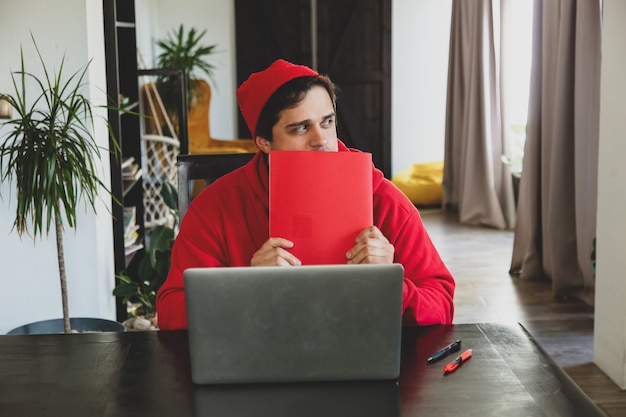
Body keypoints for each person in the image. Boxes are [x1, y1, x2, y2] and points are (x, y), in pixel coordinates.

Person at [156, 59, 455, 330]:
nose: (322, 140)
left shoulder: (385, 200)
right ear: (264, 142)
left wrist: (391, 284)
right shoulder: (215, 207)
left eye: (327, 121)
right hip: (257, 362)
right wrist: (247, 288)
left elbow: (441, 305)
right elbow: (171, 311)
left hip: (360, 359)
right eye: (300, 128)